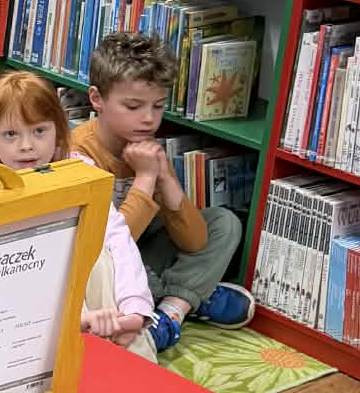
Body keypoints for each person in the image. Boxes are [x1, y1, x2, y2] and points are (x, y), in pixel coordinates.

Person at [70, 33, 251, 352]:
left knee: (224, 224)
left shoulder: (146, 146)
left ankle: (168, 314)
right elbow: (110, 247)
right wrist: (145, 178)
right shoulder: (79, 154)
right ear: (97, 99)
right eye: (133, 106)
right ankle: (191, 297)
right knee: (127, 279)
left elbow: (195, 242)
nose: (149, 119)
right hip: (100, 262)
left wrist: (165, 178)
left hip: (144, 249)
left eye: (158, 106)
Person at [0, 70, 155, 360]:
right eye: (11, 134)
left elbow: (117, 236)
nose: (27, 145)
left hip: (87, 294)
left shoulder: (77, 168)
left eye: (39, 131)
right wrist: (76, 319)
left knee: (102, 254)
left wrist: (134, 308)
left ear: (58, 129)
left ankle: (126, 344)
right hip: (20, 308)